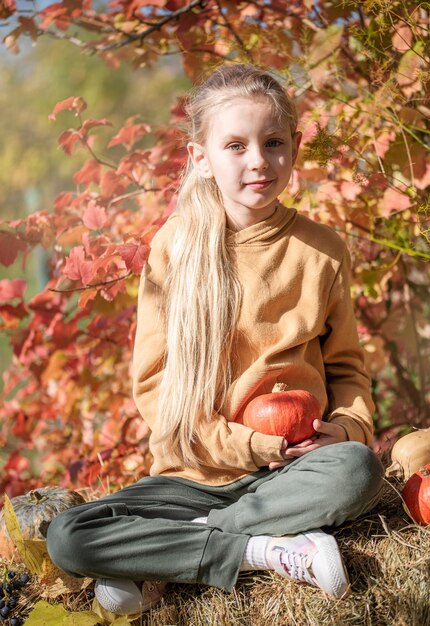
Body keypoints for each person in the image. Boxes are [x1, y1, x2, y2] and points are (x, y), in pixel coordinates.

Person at [46, 63, 384, 616]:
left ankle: (171, 555)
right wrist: (249, 446)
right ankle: (259, 549)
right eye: (236, 145)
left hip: (293, 470)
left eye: (274, 142)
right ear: (200, 157)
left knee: (358, 470)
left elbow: (346, 369)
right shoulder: (176, 248)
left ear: (295, 147)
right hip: (194, 473)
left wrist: (344, 428)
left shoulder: (322, 249)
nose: (258, 160)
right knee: (68, 536)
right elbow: (155, 386)